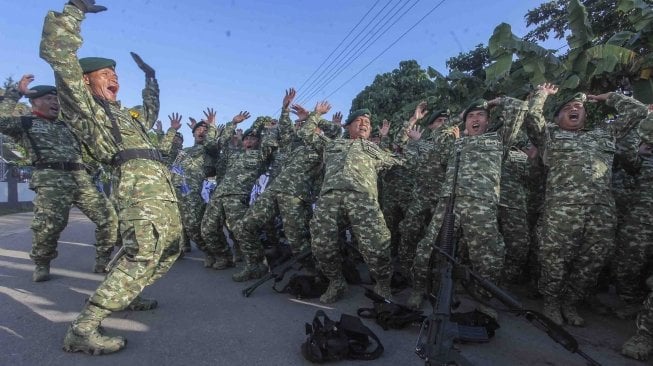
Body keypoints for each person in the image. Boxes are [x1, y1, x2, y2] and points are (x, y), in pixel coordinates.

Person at [40, 0, 182, 354]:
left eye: (115, 74)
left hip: (160, 186)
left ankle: (126, 293)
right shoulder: (84, 108)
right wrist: (75, 11)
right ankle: (83, 328)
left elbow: (149, 111)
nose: (114, 78)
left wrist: (151, 79)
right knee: (144, 253)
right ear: (85, 81)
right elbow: (59, 56)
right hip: (135, 187)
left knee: (170, 247)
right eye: (105, 74)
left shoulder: (125, 115)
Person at [525, 83, 647, 326]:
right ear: (558, 117)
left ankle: (570, 302)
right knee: (554, 258)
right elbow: (531, 117)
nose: (574, 109)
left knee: (591, 261)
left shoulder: (603, 134)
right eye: (567, 108)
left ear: (585, 115)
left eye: (578, 107)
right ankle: (551, 302)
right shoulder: (550, 135)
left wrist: (609, 96)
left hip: (601, 214)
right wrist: (543, 94)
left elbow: (639, 112)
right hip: (562, 211)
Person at [407, 96, 528, 312]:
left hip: (481, 205)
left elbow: (519, 109)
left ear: (488, 121)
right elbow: (439, 134)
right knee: (427, 249)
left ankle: (484, 300)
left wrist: (496, 101)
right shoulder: (454, 144)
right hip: (449, 203)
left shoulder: (499, 140)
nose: (475, 119)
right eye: (471, 116)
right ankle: (418, 290)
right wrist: (460, 115)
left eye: (480, 115)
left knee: (489, 255)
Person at [299, 101, 424, 303]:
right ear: (348, 126)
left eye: (367, 121)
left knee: (377, 245)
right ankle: (336, 281)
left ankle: (383, 284)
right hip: (329, 199)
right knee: (321, 244)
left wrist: (411, 125)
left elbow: (402, 158)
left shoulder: (375, 150)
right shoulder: (332, 144)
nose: (364, 124)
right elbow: (306, 133)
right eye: (359, 120)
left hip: (363, 201)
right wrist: (316, 114)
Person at [0, 74, 119, 280]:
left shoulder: (68, 127)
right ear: (34, 102)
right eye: (48, 99)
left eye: (56, 99)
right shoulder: (26, 123)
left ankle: (103, 260)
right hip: (50, 178)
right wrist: (15, 93)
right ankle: (42, 262)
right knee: (49, 225)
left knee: (108, 218)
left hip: (80, 178)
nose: (54, 102)